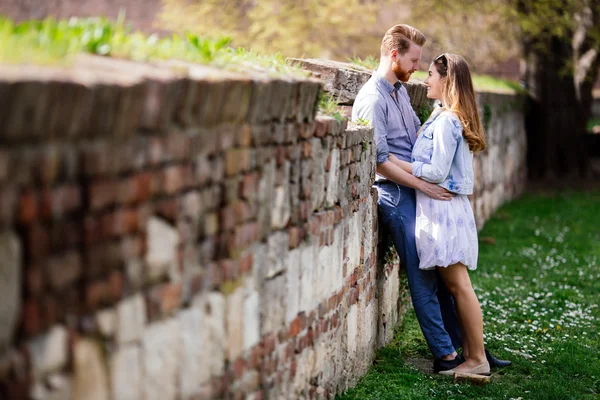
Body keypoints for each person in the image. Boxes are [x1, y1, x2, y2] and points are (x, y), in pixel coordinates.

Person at [352, 25, 511, 373]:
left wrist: (426, 183)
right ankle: (446, 355)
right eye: (413, 60)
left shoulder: (399, 94)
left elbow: (423, 151)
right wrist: (424, 185)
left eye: (422, 65)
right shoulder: (373, 98)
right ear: (394, 55)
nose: (417, 69)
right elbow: (380, 161)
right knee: (425, 274)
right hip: (397, 193)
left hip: (420, 189)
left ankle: (472, 349)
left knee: (446, 275)